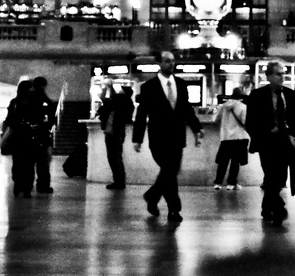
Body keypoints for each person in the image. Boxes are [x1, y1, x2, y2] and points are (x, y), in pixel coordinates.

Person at [132, 50, 202, 224]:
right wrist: (137, 138)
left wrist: (196, 129)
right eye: (167, 61)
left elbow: (186, 109)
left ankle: (155, 198)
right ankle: (170, 207)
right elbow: (142, 114)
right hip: (158, 138)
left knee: (170, 172)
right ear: (159, 63)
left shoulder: (181, 84)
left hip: (177, 137)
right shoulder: (149, 87)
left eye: (173, 61)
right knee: (170, 171)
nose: (171, 64)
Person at [247, 60, 295, 224]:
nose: (282, 77)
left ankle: (267, 207)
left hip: (284, 141)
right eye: (278, 74)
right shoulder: (257, 95)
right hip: (267, 142)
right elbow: (251, 121)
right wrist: (260, 136)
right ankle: (278, 208)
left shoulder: (290, 95)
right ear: (269, 76)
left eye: (283, 73)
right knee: (271, 174)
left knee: (280, 178)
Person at [4, 79, 40, 196]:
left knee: (23, 164)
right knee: (25, 164)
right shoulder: (19, 103)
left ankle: (23, 187)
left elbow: (9, 120)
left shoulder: (17, 102)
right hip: (24, 137)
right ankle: (23, 186)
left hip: (21, 138)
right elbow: (9, 120)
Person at [211, 84, 250, 189]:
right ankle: (231, 183)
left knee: (223, 162)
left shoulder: (223, 106)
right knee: (235, 162)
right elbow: (246, 122)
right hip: (239, 137)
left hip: (226, 137)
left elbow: (216, 120)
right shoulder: (243, 107)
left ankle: (218, 183)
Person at [98, 80, 134, 190]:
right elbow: (106, 98)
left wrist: (109, 87)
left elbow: (107, 98)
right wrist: (108, 87)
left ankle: (119, 181)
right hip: (114, 133)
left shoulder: (122, 103)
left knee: (115, 158)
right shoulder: (121, 103)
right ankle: (118, 181)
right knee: (115, 158)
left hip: (115, 134)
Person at [29, 76, 58, 193]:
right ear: (45, 86)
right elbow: (52, 119)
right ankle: (43, 185)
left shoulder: (28, 100)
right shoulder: (47, 101)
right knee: (43, 163)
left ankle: (27, 185)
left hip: (29, 135)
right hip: (43, 136)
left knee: (29, 162)